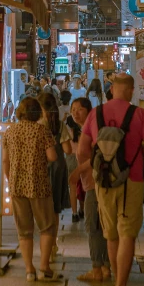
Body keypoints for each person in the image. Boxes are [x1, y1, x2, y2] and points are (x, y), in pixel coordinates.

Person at [78, 73, 144, 286]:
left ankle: (114, 279)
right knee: (127, 235)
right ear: (131, 90)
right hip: (132, 180)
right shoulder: (140, 114)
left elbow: (82, 150)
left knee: (110, 234)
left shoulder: (95, 113)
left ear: (112, 89)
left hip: (103, 181)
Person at [2, 97, 63, 281]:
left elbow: (5, 160)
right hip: (39, 184)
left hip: (17, 185)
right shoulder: (41, 130)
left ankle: (29, 270)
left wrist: (10, 178)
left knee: (24, 230)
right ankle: (44, 267)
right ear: (37, 112)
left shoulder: (10, 132)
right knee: (46, 226)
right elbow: (52, 156)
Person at [69, 97, 111, 282]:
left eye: (79, 109)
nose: (75, 113)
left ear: (88, 110)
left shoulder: (93, 127)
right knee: (102, 226)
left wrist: (78, 170)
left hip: (95, 183)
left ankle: (97, 268)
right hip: (92, 183)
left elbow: (98, 155)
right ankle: (105, 267)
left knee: (93, 225)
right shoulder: (83, 129)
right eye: (73, 110)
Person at [39, 92, 72, 260]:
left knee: (42, 207)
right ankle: (52, 245)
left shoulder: (37, 125)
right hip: (58, 168)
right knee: (55, 209)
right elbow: (67, 150)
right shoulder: (60, 126)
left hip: (41, 168)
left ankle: (44, 243)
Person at [64, 93, 84, 223]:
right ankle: (83, 209)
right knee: (83, 185)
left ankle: (74, 213)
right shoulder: (84, 129)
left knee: (72, 186)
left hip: (70, 158)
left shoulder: (67, 128)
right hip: (82, 159)